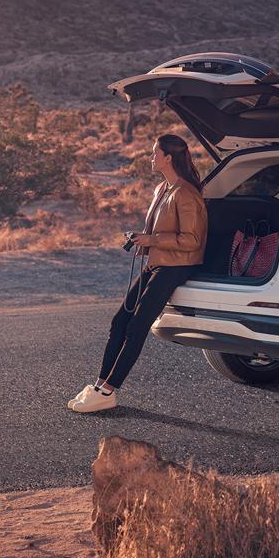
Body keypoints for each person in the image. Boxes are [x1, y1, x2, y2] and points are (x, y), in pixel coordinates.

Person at [68, 134, 207, 413]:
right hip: (158, 262)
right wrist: (142, 239)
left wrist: (152, 240)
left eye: (155, 153)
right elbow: (160, 231)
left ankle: (108, 391)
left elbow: (192, 241)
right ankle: (99, 384)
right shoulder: (162, 189)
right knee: (119, 321)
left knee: (136, 326)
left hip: (177, 266)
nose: (151, 157)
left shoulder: (186, 193)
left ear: (168, 157)